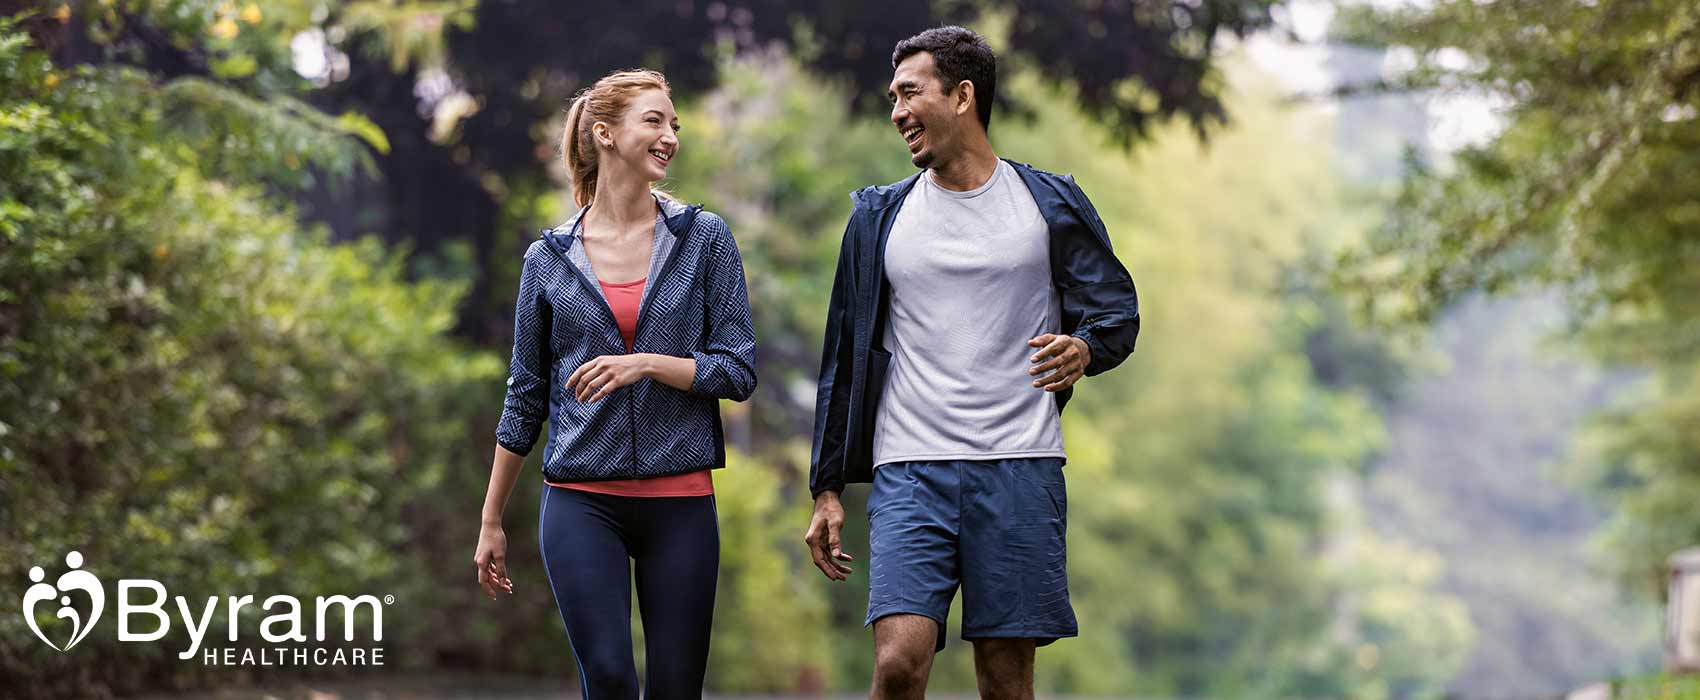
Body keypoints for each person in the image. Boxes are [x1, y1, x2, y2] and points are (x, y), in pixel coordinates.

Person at [802, 26, 1141, 700]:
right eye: (892, 96)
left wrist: (1084, 347)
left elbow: (1117, 313)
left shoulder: (1047, 204)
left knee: (1005, 678)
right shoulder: (878, 218)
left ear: (963, 95)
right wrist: (828, 485)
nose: (896, 110)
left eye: (909, 93)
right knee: (899, 661)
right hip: (911, 466)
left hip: (1020, 464)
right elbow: (842, 355)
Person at [473, 68, 756, 700]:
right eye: (654, 121)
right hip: (581, 498)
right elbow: (525, 394)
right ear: (605, 134)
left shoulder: (704, 239)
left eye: (674, 124)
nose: (670, 136)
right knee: (607, 677)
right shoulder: (548, 256)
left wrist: (647, 363)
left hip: (680, 500)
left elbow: (738, 370)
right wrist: (492, 520)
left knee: (676, 689)